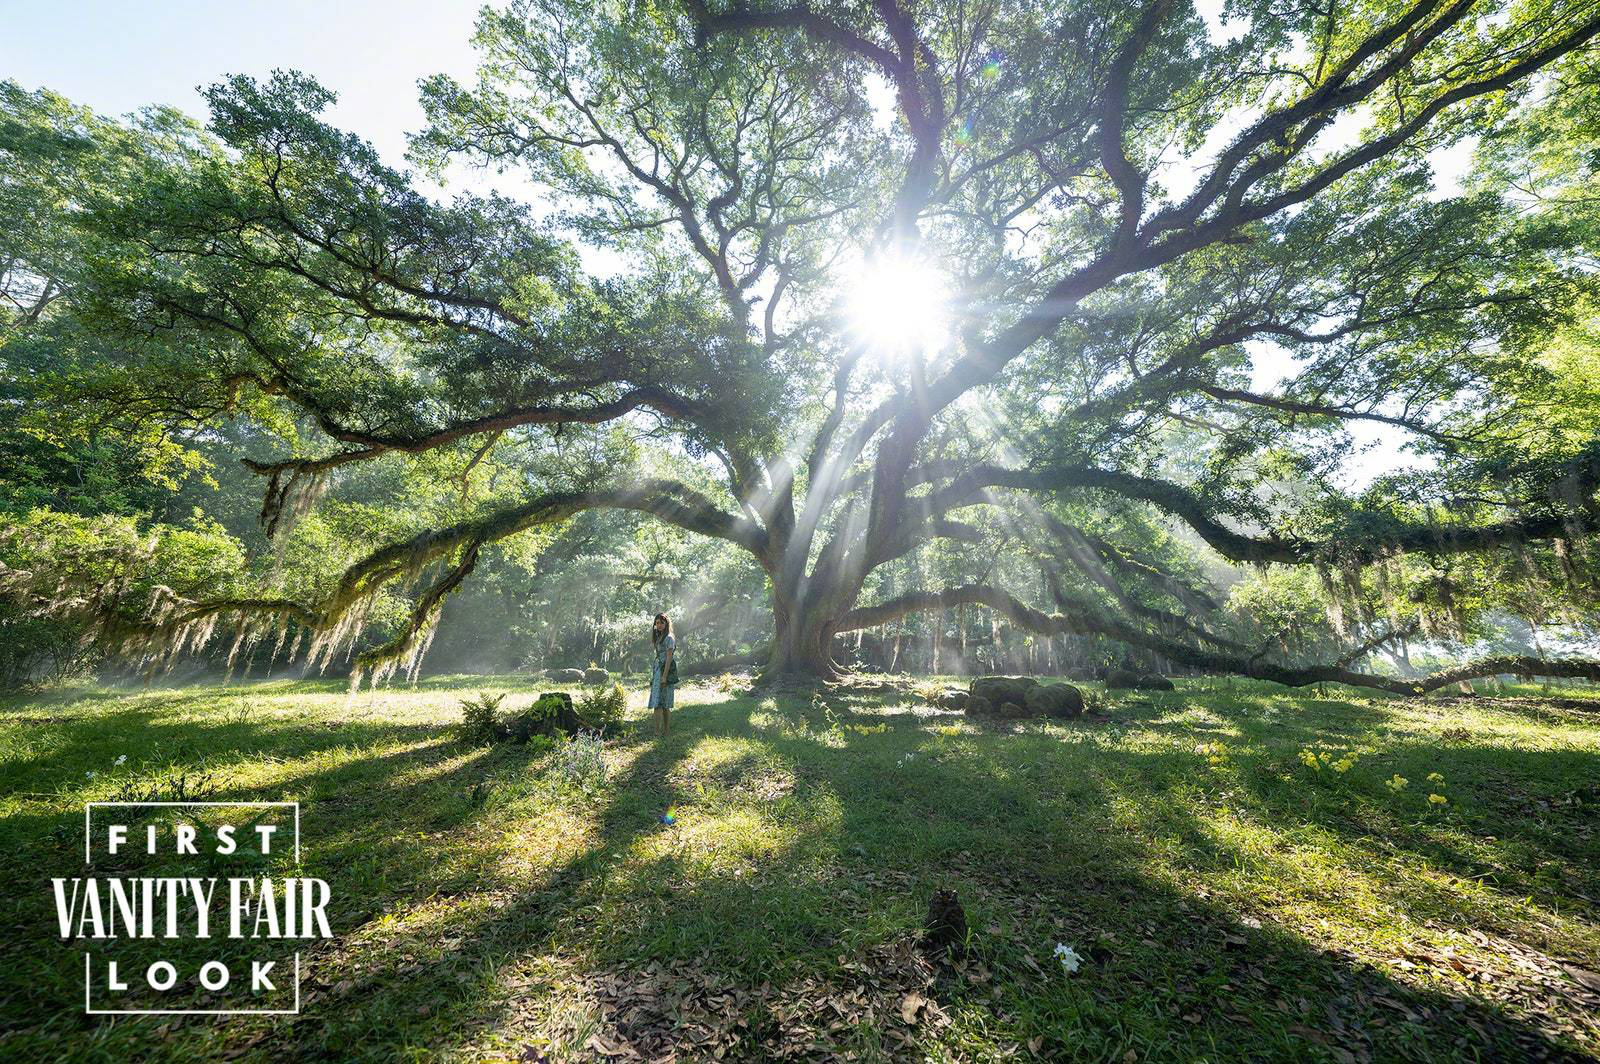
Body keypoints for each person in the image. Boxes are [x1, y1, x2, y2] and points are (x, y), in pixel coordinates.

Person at [648, 613, 677, 736]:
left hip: (666, 671)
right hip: (657, 670)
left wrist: (664, 676)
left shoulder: (669, 638)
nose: (659, 625)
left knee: (664, 703)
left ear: (666, 624)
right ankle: (657, 731)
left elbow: (669, 658)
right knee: (657, 702)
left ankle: (665, 731)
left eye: (662, 623)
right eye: (657, 623)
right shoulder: (659, 637)